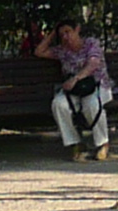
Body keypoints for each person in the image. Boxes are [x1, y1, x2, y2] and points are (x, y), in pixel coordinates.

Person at [37, 18, 112, 159]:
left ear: (77, 29)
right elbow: (39, 52)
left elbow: (93, 64)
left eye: (68, 32)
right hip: (74, 90)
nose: (66, 37)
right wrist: (53, 33)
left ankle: (102, 143)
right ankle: (75, 143)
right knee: (59, 105)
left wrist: (76, 78)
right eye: (62, 34)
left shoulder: (91, 44)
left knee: (92, 105)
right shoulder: (61, 51)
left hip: (96, 85)